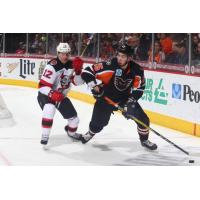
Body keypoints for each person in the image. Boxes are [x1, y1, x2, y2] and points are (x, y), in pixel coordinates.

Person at [80, 43, 157, 150]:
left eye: (123, 56)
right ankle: (91, 132)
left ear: (129, 58)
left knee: (143, 119)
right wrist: (94, 86)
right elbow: (87, 71)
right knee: (99, 123)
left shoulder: (137, 70)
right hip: (105, 98)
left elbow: (140, 88)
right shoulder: (110, 65)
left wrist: (130, 103)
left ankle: (144, 140)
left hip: (124, 99)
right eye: (119, 55)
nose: (120, 58)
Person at [37, 43, 84, 145]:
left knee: (75, 120)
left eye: (67, 54)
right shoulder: (52, 65)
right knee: (50, 109)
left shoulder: (72, 65)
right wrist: (52, 94)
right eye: (62, 54)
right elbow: (42, 86)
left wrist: (79, 71)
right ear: (58, 53)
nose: (65, 56)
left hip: (61, 96)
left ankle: (71, 133)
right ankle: (45, 135)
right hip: (46, 95)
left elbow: (78, 83)